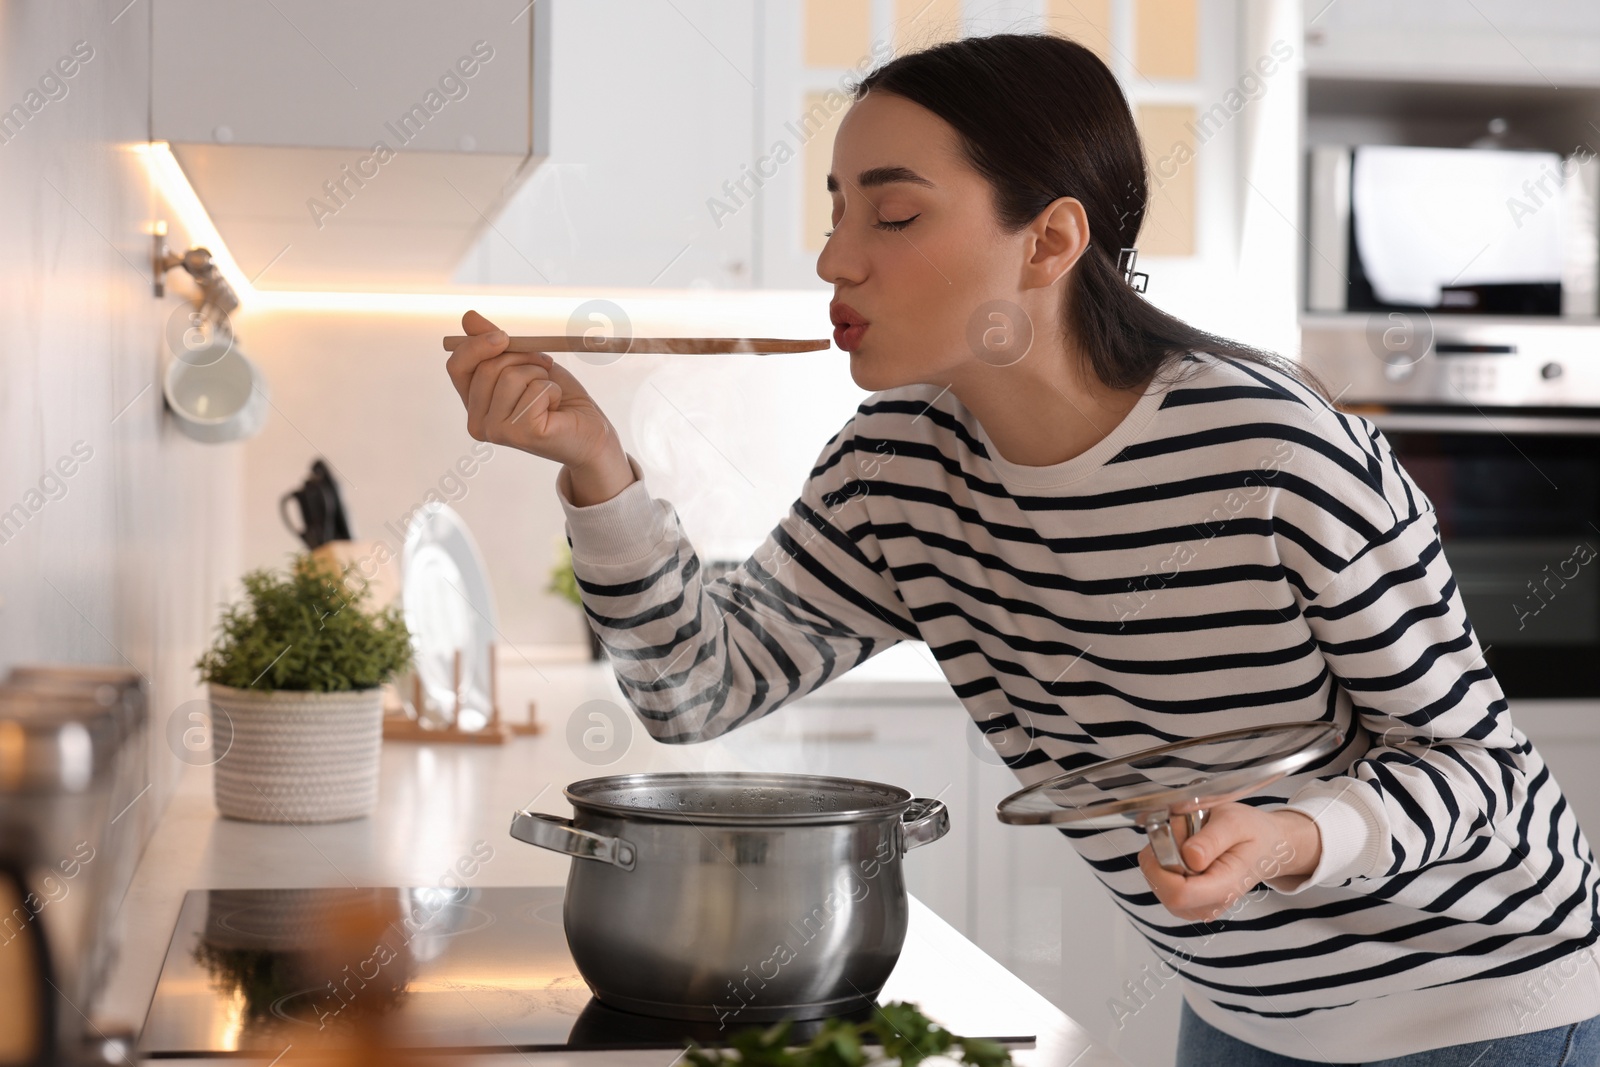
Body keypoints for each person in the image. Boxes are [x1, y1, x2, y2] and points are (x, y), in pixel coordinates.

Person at [444, 32, 1600, 1067]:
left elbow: (1485, 777)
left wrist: (1293, 834)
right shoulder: (899, 468)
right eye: (836, 207)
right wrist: (593, 462)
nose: (836, 259)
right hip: (1244, 1011)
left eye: (892, 215)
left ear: (1048, 239)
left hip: (1485, 1004)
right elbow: (696, 689)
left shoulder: (1272, 450)